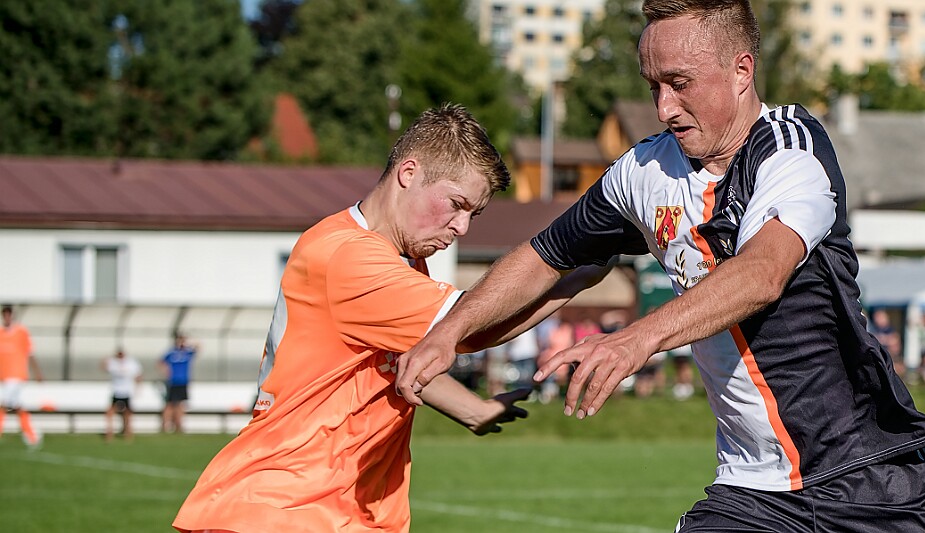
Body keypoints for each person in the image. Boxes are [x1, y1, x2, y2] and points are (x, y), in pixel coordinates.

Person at [393, 3, 925, 530]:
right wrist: (450, 335)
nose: (664, 107)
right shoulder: (644, 172)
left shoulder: (791, 151)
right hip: (753, 492)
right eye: (653, 86)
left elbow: (762, 274)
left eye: (679, 83)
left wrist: (635, 340)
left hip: (874, 478)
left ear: (742, 71)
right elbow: (546, 257)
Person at [173, 105, 606, 532]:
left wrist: (473, 410)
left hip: (342, 507)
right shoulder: (348, 256)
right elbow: (469, 329)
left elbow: (406, 359)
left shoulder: (401, 260)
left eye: (473, 214)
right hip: (287, 505)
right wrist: (575, 270)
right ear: (408, 173)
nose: (462, 228)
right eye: (456, 205)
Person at [0, 304, 42, 449]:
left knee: (3, 405)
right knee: (17, 407)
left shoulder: (21, 332)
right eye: (4, 315)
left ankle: (30, 435)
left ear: (12, 316)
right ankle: (32, 435)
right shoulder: (0, 333)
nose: (7, 317)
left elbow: (30, 353)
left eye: (8, 314)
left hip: (16, 376)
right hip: (4, 378)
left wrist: (37, 372)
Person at [160, 333, 197, 434]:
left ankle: (178, 425)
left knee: (180, 404)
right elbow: (161, 362)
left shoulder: (187, 352)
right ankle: (165, 425)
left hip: (183, 381)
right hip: (173, 382)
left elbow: (199, 347)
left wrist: (189, 343)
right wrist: (166, 371)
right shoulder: (171, 352)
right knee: (170, 404)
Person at [103, 348, 141, 442]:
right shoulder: (113, 362)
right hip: (116, 391)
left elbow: (138, 375)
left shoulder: (131, 363)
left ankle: (128, 433)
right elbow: (103, 367)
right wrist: (109, 357)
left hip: (126, 391)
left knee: (127, 413)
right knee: (110, 412)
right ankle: (109, 433)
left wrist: (138, 388)